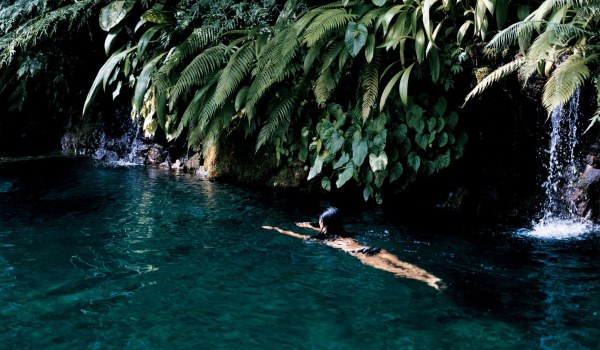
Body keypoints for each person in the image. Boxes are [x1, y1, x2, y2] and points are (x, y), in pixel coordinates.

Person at [263, 207, 446, 290]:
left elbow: (296, 235)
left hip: (361, 255)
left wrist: (276, 229)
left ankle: (427, 282)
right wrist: (310, 224)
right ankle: (431, 277)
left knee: (394, 271)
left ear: (324, 225)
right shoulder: (346, 233)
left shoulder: (323, 240)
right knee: (403, 264)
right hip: (373, 248)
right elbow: (324, 227)